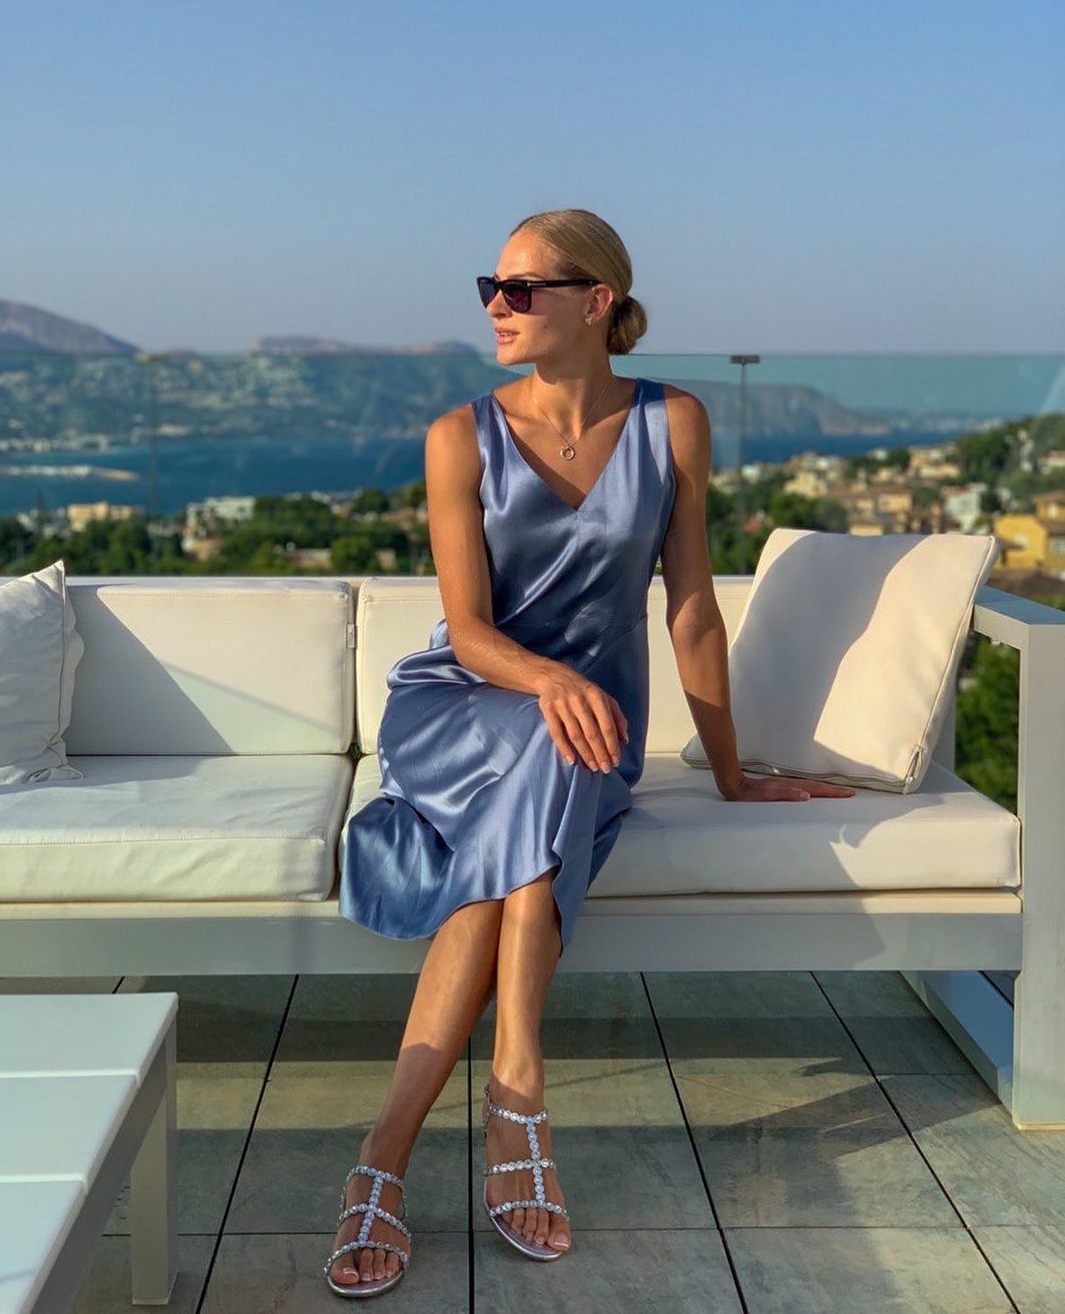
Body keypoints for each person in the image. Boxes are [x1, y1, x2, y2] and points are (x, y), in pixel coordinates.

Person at [325, 208, 853, 1297]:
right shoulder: (458, 436)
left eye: (520, 289)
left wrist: (730, 770)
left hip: (588, 731)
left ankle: (382, 1158)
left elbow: (693, 606)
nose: (496, 307)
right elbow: (469, 630)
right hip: (464, 706)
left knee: (534, 804)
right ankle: (516, 1094)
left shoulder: (674, 423)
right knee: (551, 746)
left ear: (596, 301)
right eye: (491, 287)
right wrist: (554, 681)